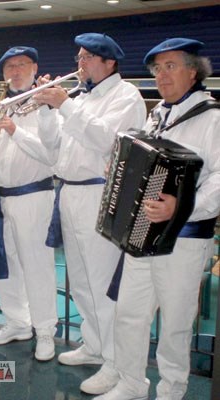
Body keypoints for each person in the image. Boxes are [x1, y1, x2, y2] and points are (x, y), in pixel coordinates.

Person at [96, 38, 220, 400]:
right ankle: (131, 384)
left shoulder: (212, 118)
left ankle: (171, 391)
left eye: (171, 66)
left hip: (185, 237)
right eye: (156, 69)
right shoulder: (157, 115)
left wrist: (181, 207)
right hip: (143, 235)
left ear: (193, 71)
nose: (161, 76)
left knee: (176, 325)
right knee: (130, 313)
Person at [33, 33, 146, 393]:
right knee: (80, 281)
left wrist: (64, 104)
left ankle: (116, 362)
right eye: (79, 56)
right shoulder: (82, 97)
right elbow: (53, 149)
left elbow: (108, 140)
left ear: (109, 62)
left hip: (100, 193)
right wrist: (47, 110)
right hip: (69, 192)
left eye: (87, 57)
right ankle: (95, 346)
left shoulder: (126, 96)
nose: (79, 63)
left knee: (101, 283)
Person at [0, 46, 59, 361]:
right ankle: (17, 323)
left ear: (35, 68)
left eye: (22, 65)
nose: (16, 71)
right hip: (2, 196)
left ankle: (45, 330)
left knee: (37, 266)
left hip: (34, 196)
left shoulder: (47, 104)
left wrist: (15, 130)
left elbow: (51, 155)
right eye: (10, 67)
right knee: (7, 264)